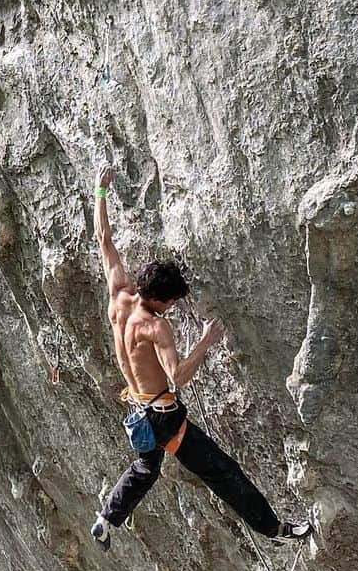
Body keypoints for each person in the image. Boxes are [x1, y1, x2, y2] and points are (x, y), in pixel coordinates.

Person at [89, 164, 312, 551]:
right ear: (159, 298)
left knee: (145, 467)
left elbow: (103, 238)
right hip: (161, 416)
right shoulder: (155, 327)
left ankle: (107, 518)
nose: (174, 306)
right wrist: (207, 341)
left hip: (138, 411)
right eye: (172, 301)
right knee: (222, 471)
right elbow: (178, 376)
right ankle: (275, 530)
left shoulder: (119, 297)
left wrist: (100, 192)